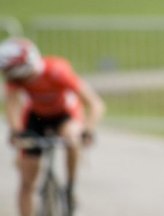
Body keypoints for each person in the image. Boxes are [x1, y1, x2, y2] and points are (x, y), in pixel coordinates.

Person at [0, 37, 105, 216]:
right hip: (36, 118)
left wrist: (88, 130)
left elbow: (95, 103)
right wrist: (16, 131)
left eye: (10, 72)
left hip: (64, 115)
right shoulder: (16, 80)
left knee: (72, 137)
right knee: (27, 181)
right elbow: (13, 105)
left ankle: (71, 187)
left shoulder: (57, 71)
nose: (8, 77)